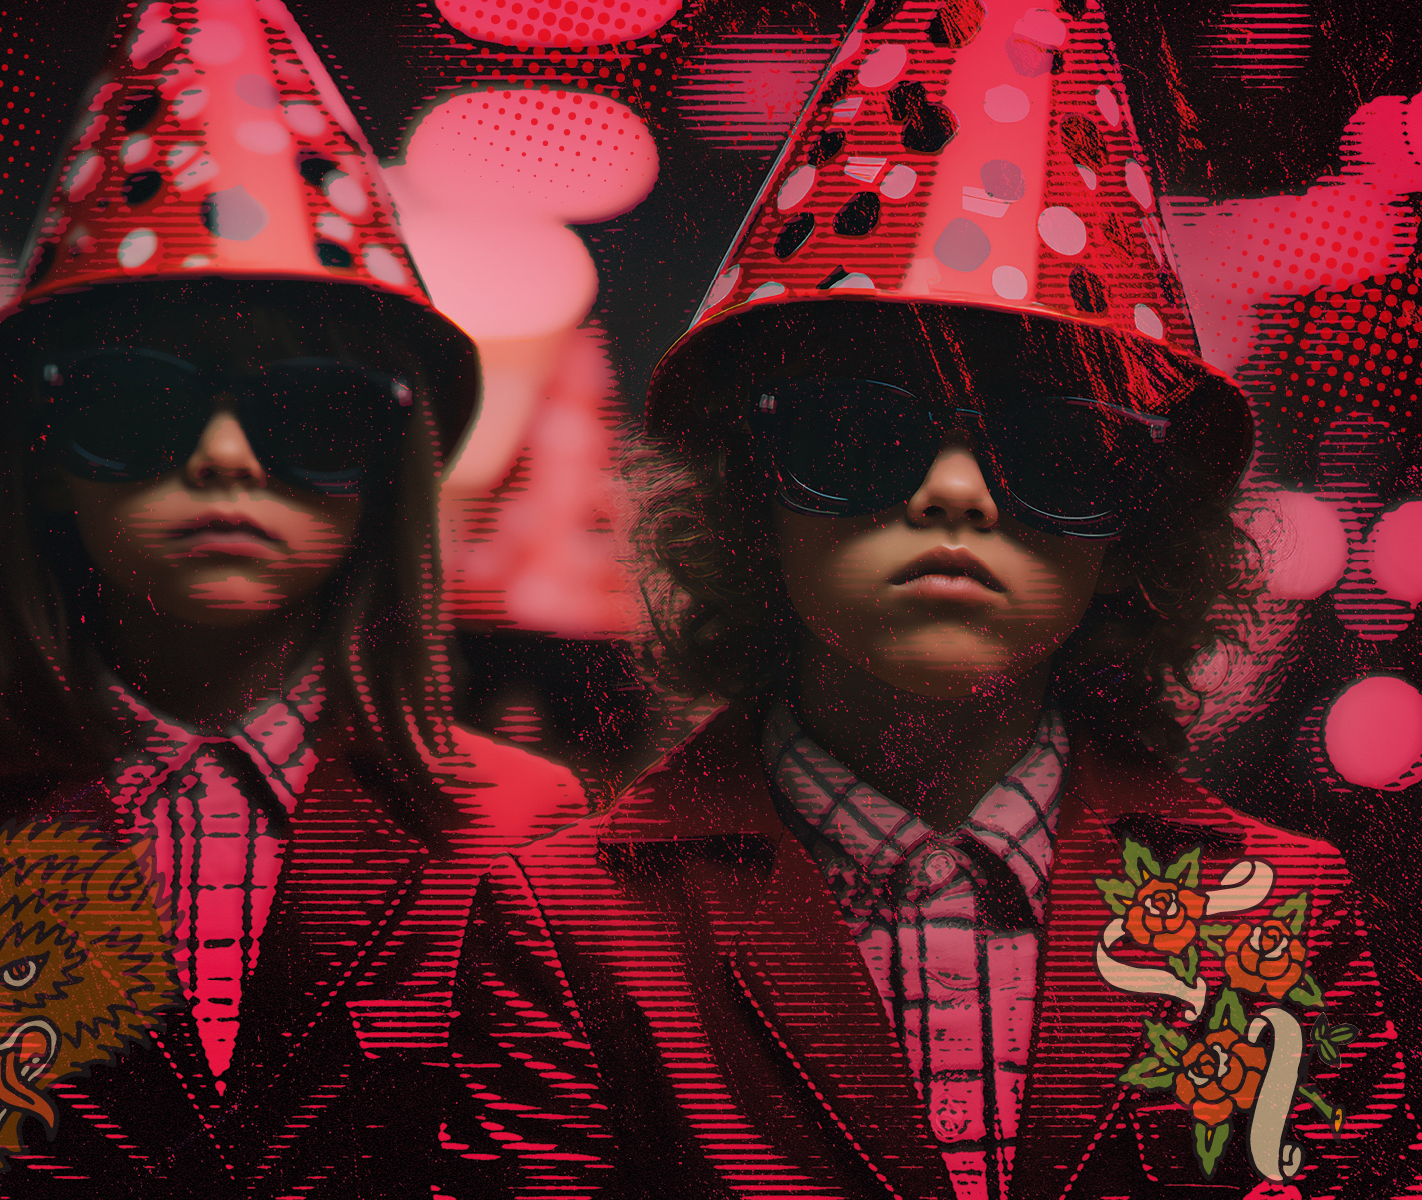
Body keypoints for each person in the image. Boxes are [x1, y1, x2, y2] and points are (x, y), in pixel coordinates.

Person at [437, 1, 1415, 1196]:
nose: (954, 495)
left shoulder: (1264, 910)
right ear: (751, 496)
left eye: (1059, 453)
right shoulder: (583, 920)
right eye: (858, 436)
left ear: (1136, 527)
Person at [0, 1, 584, 1194]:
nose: (226, 458)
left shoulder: (528, 834)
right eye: (136, 404)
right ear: (47, 458)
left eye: (312, 411)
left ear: (391, 469)